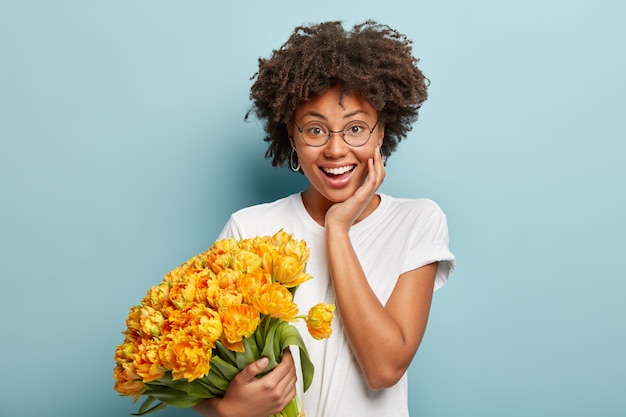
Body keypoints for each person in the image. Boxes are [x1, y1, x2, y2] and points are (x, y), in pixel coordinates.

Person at [193, 20, 455, 417]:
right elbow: (189, 367)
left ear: (381, 133)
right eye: (315, 129)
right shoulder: (248, 228)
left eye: (355, 128)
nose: (335, 149)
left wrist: (337, 228)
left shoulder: (417, 221)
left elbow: (384, 369)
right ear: (293, 137)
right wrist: (226, 410)